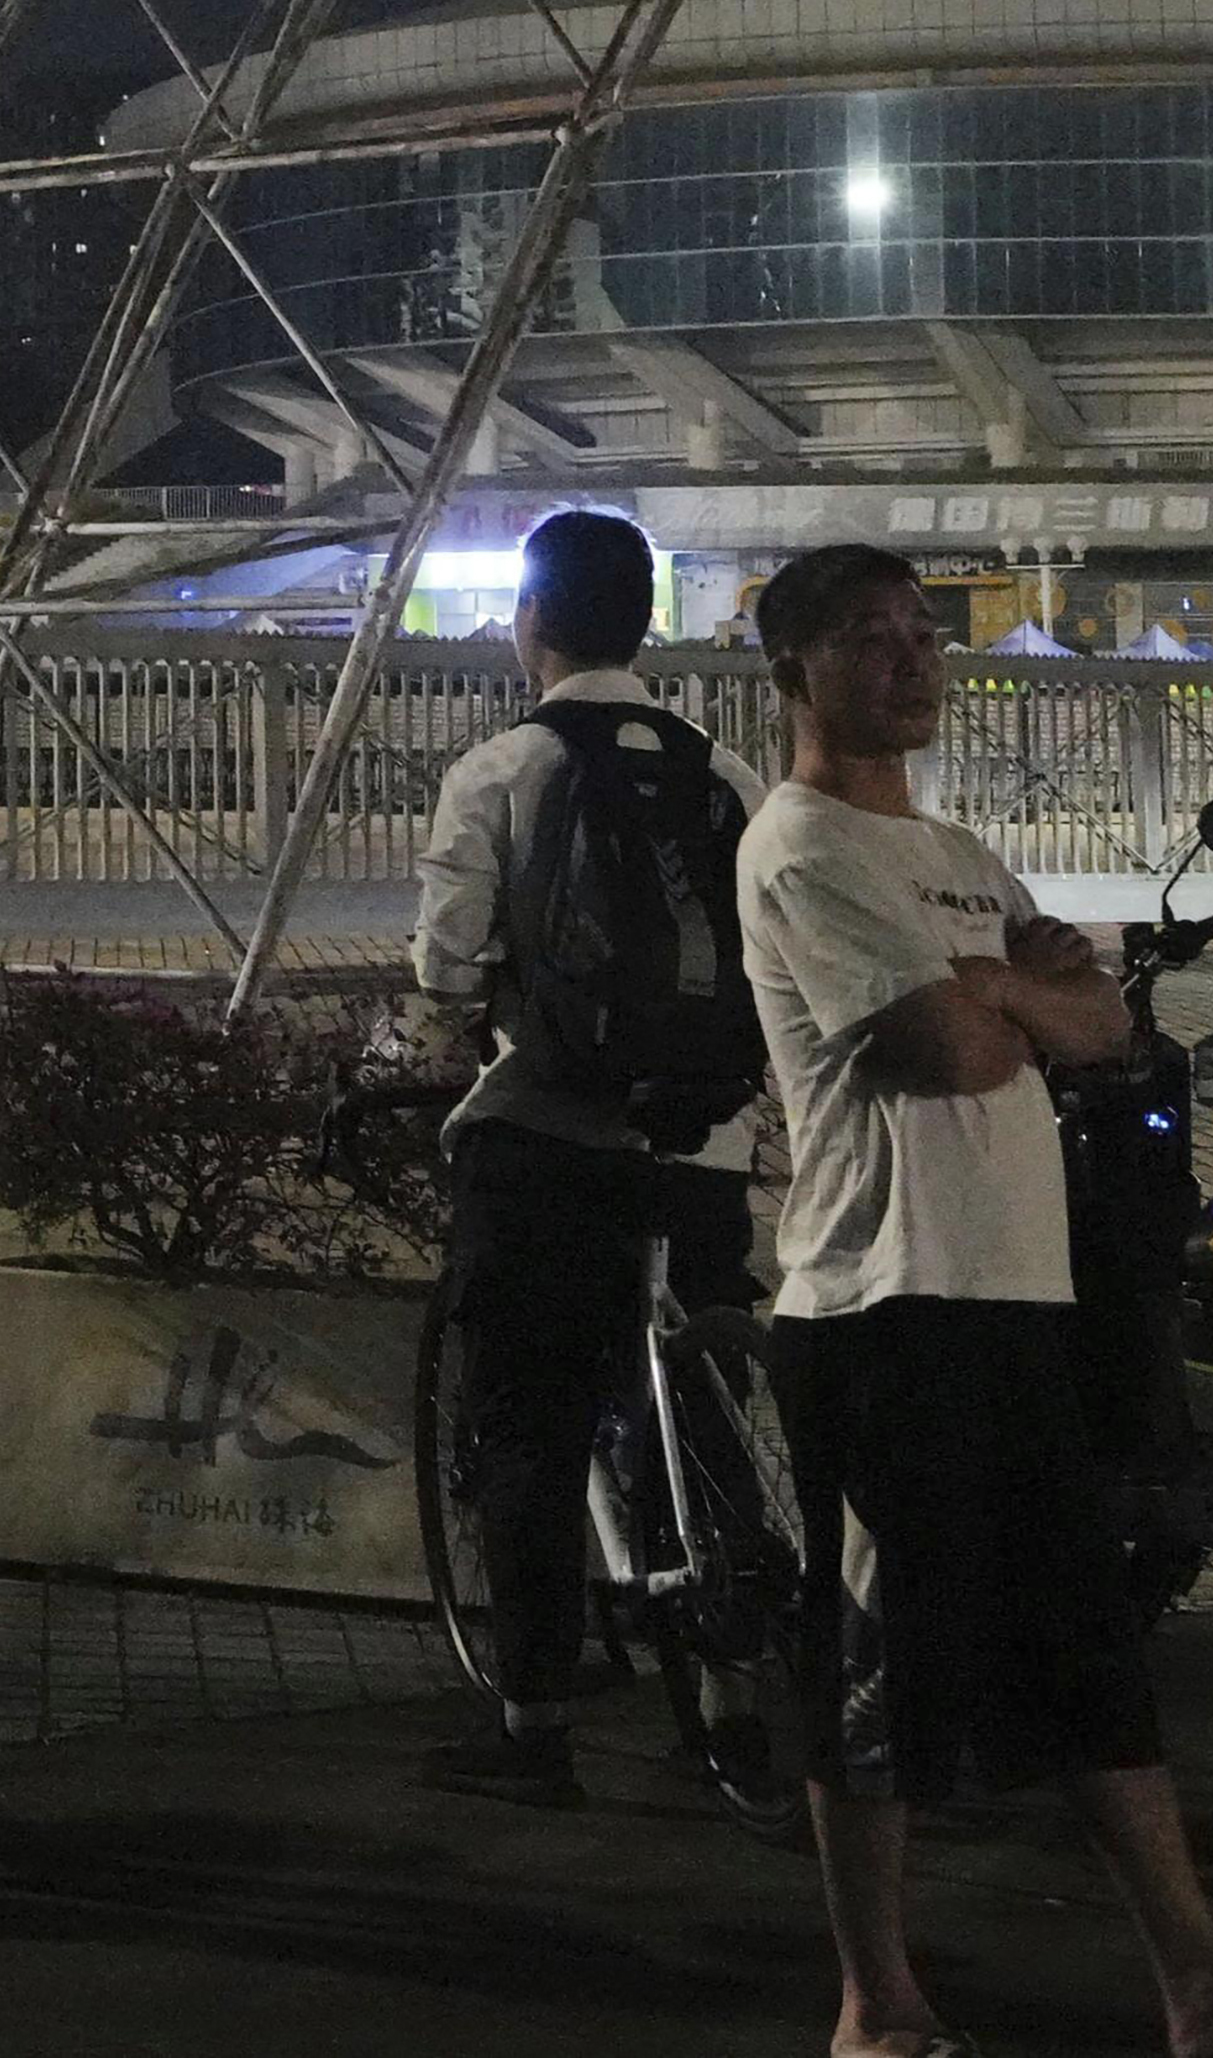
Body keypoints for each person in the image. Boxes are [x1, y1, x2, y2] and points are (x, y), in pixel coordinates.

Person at [739, 542, 1213, 2058]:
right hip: (881, 1304)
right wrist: (1008, 998)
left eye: (924, 634)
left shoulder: (963, 857)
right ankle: (877, 2011)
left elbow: (1098, 1024)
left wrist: (1003, 990)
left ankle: (1207, 1988)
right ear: (797, 670)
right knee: (877, 1653)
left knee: (1085, 1641)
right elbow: (954, 1052)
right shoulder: (800, 846)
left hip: (1015, 1293)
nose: (913, 661)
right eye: (871, 638)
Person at [406, 507, 769, 1809]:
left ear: (530, 626)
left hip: (549, 1141)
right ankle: (738, 1700)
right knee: (707, 1417)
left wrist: (427, 1062)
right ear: (646, 623)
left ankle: (534, 1724)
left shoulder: (500, 770)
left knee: (529, 1433)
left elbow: (445, 977)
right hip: (706, 1143)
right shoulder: (726, 775)